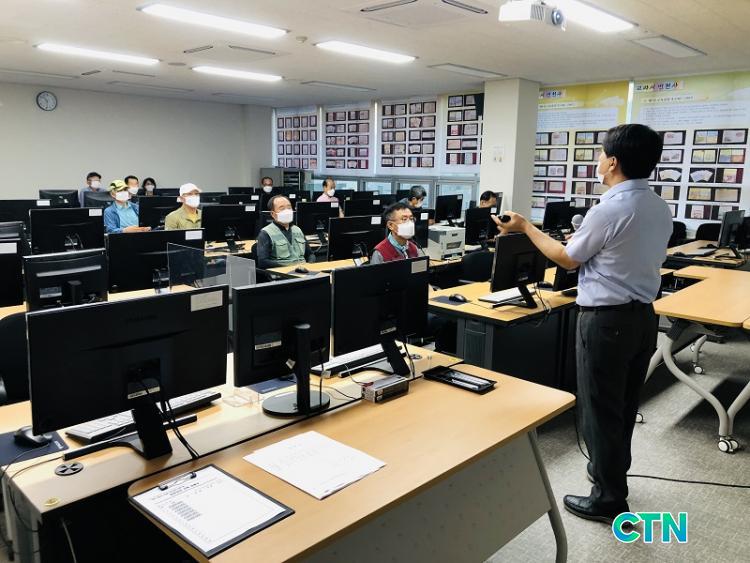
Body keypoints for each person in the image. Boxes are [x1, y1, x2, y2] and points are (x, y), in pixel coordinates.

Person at [492, 124, 672, 524]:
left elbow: (567, 259)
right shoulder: (658, 205)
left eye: (601, 154)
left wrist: (525, 227)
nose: (598, 161)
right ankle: (611, 474)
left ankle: (608, 499)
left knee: (599, 408)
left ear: (613, 162)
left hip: (607, 322)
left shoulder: (608, 209)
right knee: (623, 405)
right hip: (643, 317)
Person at [256, 195, 314, 269]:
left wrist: (310, 265)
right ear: (273, 214)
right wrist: (289, 267)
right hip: (282, 273)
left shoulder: (297, 230)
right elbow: (263, 262)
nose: (287, 211)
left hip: (304, 270)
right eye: (282, 208)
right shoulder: (266, 233)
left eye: (289, 207)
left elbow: (310, 254)